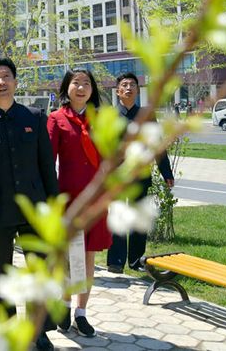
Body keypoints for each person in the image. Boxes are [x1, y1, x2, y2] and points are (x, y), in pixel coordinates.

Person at [0, 58, 59, 351]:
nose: (1, 82)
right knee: (0, 272)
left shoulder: (34, 116)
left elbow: (47, 165)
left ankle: (38, 329)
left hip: (34, 208)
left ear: (15, 82)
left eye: (6, 76)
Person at [47, 68, 110, 338]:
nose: (81, 88)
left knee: (88, 256)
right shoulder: (56, 118)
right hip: (69, 199)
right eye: (76, 83)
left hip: (95, 198)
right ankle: (64, 304)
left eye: (86, 83)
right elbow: (48, 161)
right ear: (67, 88)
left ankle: (81, 312)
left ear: (92, 89)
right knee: (67, 256)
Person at [107, 72, 175, 273]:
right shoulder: (110, 116)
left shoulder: (147, 115)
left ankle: (136, 261)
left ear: (138, 90)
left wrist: (166, 172)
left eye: (132, 85)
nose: (128, 88)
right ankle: (115, 261)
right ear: (118, 91)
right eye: (124, 85)